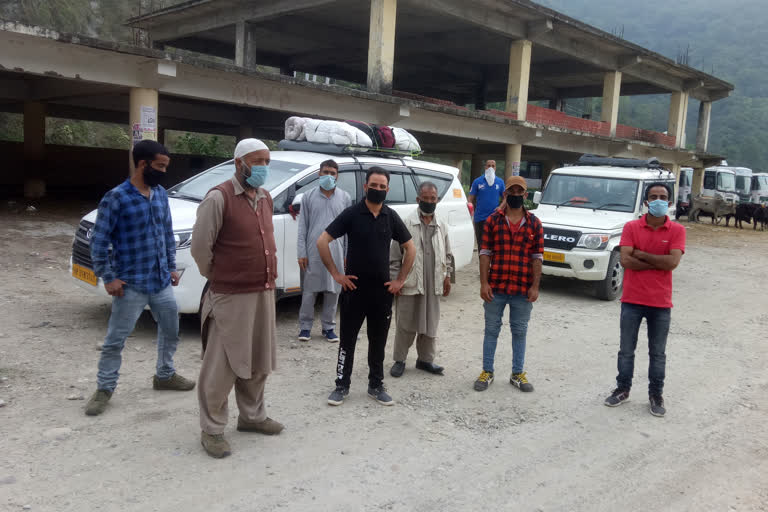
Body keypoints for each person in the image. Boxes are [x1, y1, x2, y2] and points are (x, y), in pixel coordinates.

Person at [85, 140, 195, 417]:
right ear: (142, 163)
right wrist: (108, 277)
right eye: (160, 166)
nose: (163, 171)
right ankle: (104, 388)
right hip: (130, 284)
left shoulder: (159, 194)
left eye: (165, 166)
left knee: (171, 330)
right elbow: (99, 241)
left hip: (160, 282)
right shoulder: (116, 197)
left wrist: (170, 266)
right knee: (115, 339)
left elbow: (167, 234)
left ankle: (165, 375)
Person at [191, 138, 283, 459]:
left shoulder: (265, 197)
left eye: (266, 162)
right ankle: (212, 429)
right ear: (238, 163)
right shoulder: (219, 198)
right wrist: (220, 275)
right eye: (257, 162)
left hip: (263, 291)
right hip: (230, 295)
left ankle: (252, 417)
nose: (263, 168)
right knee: (222, 364)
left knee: (258, 360)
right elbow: (200, 249)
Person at [317, 167, 415, 406]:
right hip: (354, 291)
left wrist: (400, 280)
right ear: (365, 186)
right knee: (347, 340)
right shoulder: (352, 214)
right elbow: (322, 241)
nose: (378, 190)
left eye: (382, 187)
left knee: (378, 341)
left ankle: (376, 385)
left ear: (387, 189)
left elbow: (410, 247)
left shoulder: (390, 216)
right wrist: (337, 275)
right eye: (374, 185)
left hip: (382, 292)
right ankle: (341, 385)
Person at [604, 183, 685, 417]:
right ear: (646, 201)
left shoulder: (677, 231)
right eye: (653, 197)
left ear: (669, 202)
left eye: (662, 197)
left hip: (660, 303)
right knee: (626, 350)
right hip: (632, 300)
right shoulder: (631, 227)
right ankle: (622, 389)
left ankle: (655, 394)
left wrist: (641, 254)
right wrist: (658, 260)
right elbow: (626, 262)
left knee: (657, 353)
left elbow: (673, 263)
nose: (658, 200)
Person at [474, 176, 543, 392]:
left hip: (522, 289)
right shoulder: (493, 221)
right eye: (511, 192)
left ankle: (517, 373)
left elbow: (537, 257)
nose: (515, 195)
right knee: (491, 330)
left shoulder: (534, 223)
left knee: (520, 331)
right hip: (496, 287)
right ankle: (487, 371)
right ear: (505, 194)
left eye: (519, 192)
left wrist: (535, 286)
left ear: (525, 195)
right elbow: (485, 253)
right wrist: (484, 283)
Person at [389, 181, 452, 378]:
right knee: (405, 323)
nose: (429, 202)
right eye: (425, 199)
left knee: (430, 324)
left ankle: (425, 360)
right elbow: (394, 256)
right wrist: (395, 280)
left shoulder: (441, 225)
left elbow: (448, 254)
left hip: (433, 283)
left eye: (433, 199)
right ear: (418, 199)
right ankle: (399, 360)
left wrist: (447, 276)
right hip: (410, 282)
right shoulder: (406, 224)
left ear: (437, 200)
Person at [297, 159, 352, 342]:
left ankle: (328, 327)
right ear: (319, 173)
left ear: (337, 176)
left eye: (332, 173)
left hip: (336, 250)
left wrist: (346, 255)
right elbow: (302, 227)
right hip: (312, 251)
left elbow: (347, 230)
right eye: (325, 172)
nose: (328, 176)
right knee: (309, 291)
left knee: (333, 290)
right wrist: (301, 252)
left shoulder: (344, 197)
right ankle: (305, 327)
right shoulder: (308, 197)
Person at [468, 160, 504, 247]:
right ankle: (482, 260)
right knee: (481, 245)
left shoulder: (500, 182)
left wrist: (500, 207)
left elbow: (506, 198)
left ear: (495, 168)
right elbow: (470, 199)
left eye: (493, 166)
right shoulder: (477, 181)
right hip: (480, 218)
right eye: (488, 166)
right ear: (485, 167)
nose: (490, 168)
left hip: (495, 218)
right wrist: (470, 209)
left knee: (494, 245)